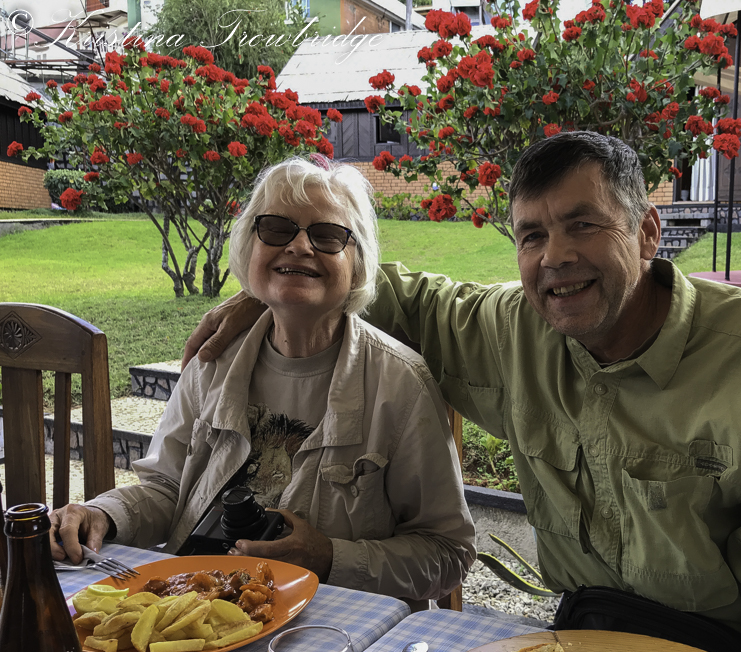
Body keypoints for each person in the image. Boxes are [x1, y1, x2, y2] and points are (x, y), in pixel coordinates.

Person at [184, 133, 741, 652]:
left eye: (583, 225)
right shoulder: (513, 329)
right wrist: (272, 289)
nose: (557, 257)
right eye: (531, 236)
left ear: (647, 232)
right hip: (580, 651)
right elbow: (397, 292)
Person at [49, 155, 476, 611]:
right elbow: (167, 489)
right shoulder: (214, 361)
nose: (299, 246)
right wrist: (101, 514)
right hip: (197, 610)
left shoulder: (402, 384)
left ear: (358, 264)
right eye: (276, 228)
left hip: (330, 626)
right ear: (248, 248)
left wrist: (330, 557)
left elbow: (447, 552)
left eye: (327, 235)